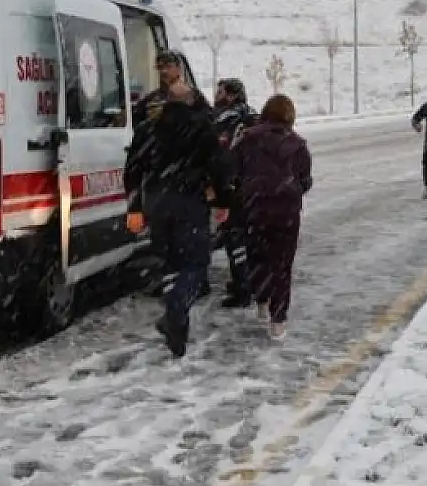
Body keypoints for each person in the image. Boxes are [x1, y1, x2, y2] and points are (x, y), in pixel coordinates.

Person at [124, 80, 231, 357]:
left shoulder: (148, 130)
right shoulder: (201, 129)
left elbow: (133, 170)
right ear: (190, 100)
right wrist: (223, 201)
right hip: (190, 204)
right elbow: (219, 168)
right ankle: (176, 309)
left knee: (170, 261)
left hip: (157, 206)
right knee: (195, 264)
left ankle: (177, 330)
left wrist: (135, 208)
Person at [233, 95, 312, 340]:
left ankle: (262, 301)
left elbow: (233, 171)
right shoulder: (297, 144)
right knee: (282, 264)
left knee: (257, 257)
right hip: (285, 211)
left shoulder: (247, 139)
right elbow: (305, 179)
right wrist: (292, 188)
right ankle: (278, 320)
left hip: (254, 208)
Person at [211, 78, 258, 308]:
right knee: (249, 237)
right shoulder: (254, 115)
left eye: (220, 92)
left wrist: (219, 186)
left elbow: (221, 156)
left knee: (234, 237)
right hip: (255, 185)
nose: (216, 96)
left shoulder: (225, 119)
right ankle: (251, 280)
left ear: (230, 95)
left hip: (234, 187)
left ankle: (242, 288)